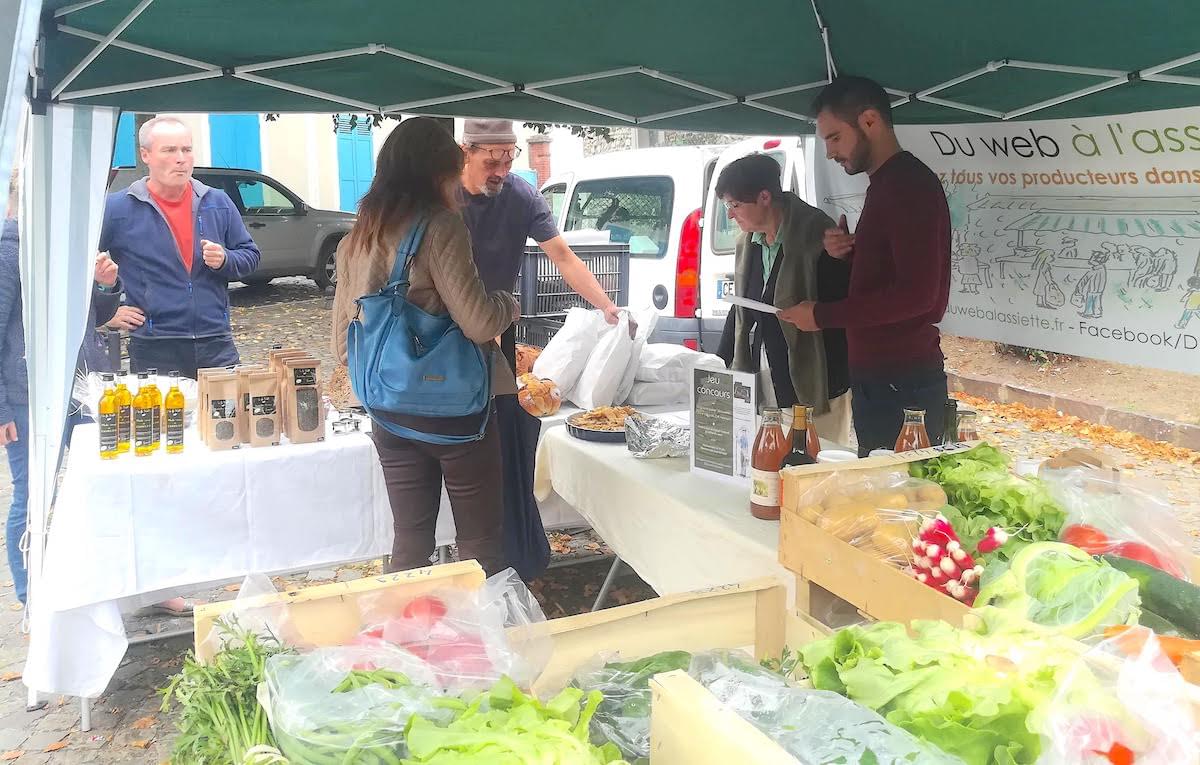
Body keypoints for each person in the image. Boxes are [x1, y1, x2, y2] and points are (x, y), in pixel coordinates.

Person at [332, 117, 518, 577]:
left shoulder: (357, 236)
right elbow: (478, 322)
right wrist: (509, 305)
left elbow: (342, 342)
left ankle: (407, 640)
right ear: (439, 172)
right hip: (453, 410)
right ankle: (486, 638)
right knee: (479, 543)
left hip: (388, 408)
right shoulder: (440, 226)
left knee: (410, 539)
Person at [457, 119, 626, 580]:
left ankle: (503, 549)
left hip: (497, 328)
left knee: (500, 434)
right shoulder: (442, 196)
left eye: (509, 157)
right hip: (445, 331)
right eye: (492, 159)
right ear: (466, 151)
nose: (502, 168)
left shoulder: (521, 195)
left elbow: (563, 256)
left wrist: (606, 305)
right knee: (460, 434)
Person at [780, 76, 952, 455]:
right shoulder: (887, 184)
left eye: (835, 138)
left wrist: (823, 315)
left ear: (870, 121)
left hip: (902, 378)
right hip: (883, 374)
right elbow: (895, 274)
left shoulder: (907, 186)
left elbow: (920, 295)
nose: (829, 153)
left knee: (901, 502)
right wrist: (851, 253)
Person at [98, 116, 261, 379]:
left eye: (186, 149)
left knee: (223, 420)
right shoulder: (118, 208)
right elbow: (77, 263)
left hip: (216, 342)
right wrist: (106, 312)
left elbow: (251, 255)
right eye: (170, 150)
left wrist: (225, 260)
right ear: (146, 155)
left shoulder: (217, 202)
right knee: (165, 421)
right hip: (155, 346)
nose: (181, 158)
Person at [713, 153, 852, 445]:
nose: (730, 214)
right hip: (765, 383)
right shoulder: (748, 243)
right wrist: (720, 362)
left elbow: (844, 306)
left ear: (764, 197)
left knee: (815, 470)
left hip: (816, 384)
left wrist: (843, 260)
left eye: (735, 205)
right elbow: (743, 309)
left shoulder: (818, 234)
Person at [0, 169, 29, 606]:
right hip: (24, 396)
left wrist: (105, 285)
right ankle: (29, 593)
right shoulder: (9, 253)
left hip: (72, 389)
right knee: (31, 491)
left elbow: (90, 316)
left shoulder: (53, 247)